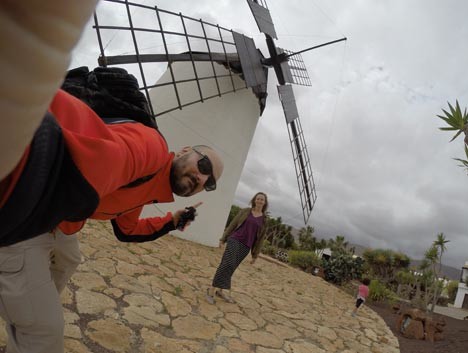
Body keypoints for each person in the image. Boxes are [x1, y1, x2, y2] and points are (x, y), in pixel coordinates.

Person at [0, 4, 224, 353]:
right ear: (183, 151)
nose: (201, 178)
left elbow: (127, 229)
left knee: (70, 259)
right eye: (204, 164)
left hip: (60, 224)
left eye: (209, 182)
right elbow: (96, 161)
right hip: (30, 216)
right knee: (44, 335)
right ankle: (29, 314)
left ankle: (26, 304)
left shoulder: (150, 191)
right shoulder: (151, 147)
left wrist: (172, 220)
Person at [206, 192, 268, 304]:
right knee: (227, 264)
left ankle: (220, 290)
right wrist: (223, 238)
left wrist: (255, 255)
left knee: (232, 267)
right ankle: (211, 290)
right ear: (254, 200)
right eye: (258, 198)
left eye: (262, 199)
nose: (259, 201)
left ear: (265, 203)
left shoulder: (263, 220)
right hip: (235, 240)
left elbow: (260, 240)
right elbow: (233, 224)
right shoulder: (245, 211)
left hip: (246, 247)